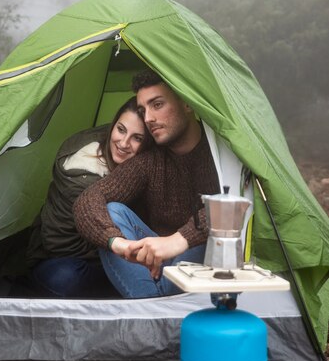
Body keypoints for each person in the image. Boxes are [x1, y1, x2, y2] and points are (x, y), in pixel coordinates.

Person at [73, 69, 221, 298]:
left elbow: (232, 207)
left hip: (197, 254)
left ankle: (149, 308)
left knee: (215, 227)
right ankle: (156, 305)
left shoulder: (220, 154)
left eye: (157, 105)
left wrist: (179, 240)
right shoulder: (150, 161)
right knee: (112, 210)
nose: (148, 118)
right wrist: (119, 244)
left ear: (188, 103)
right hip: (151, 262)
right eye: (143, 110)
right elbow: (89, 199)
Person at [26, 96, 152, 298]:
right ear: (112, 126)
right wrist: (117, 248)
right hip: (63, 257)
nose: (124, 143)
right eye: (120, 129)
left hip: (117, 247)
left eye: (137, 138)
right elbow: (60, 244)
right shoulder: (80, 177)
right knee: (64, 278)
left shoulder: (145, 162)